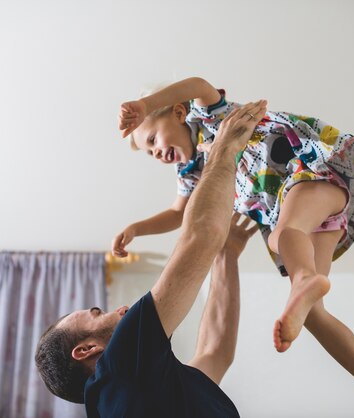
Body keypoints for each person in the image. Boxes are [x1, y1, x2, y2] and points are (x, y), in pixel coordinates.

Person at [113, 77, 354, 418]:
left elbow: (197, 84)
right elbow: (178, 214)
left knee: (283, 233)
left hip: (311, 173)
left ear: (178, 113)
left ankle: (304, 279)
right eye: (150, 153)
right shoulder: (191, 172)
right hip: (317, 216)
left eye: (153, 139)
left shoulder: (210, 117)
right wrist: (138, 228)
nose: (157, 153)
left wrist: (145, 106)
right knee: (311, 309)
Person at [35, 101, 265, 417]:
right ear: (87, 350)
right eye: (98, 312)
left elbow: (215, 353)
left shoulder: (135, 392)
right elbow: (198, 238)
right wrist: (224, 148)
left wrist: (226, 255)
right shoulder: (119, 366)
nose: (118, 310)